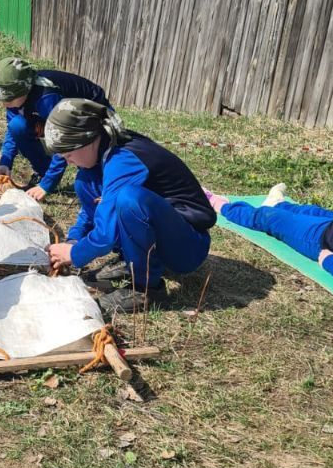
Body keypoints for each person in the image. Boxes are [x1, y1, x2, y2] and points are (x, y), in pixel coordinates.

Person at [44, 99, 216, 314]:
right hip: (165, 235)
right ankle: (131, 262)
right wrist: (74, 239)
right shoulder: (101, 153)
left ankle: (147, 290)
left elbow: (106, 233)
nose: (68, 161)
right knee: (84, 182)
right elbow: (91, 216)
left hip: (188, 246)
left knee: (129, 199)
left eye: (68, 155)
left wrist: (76, 254)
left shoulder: (122, 158)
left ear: (86, 140)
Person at [0, 56, 111, 201]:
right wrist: (6, 161)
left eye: (8, 100)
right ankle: (43, 172)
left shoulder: (46, 98)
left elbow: (64, 142)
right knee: (17, 126)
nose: (4, 104)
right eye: (1, 100)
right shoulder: (16, 97)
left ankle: (102, 189)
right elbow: (12, 129)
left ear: (25, 91)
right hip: (53, 117)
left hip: (93, 118)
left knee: (89, 162)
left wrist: (47, 185)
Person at [207, 184, 333, 283]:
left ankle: (220, 205)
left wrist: (329, 262)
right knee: (313, 211)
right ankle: (277, 204)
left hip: (320, 239)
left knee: (270, 218)